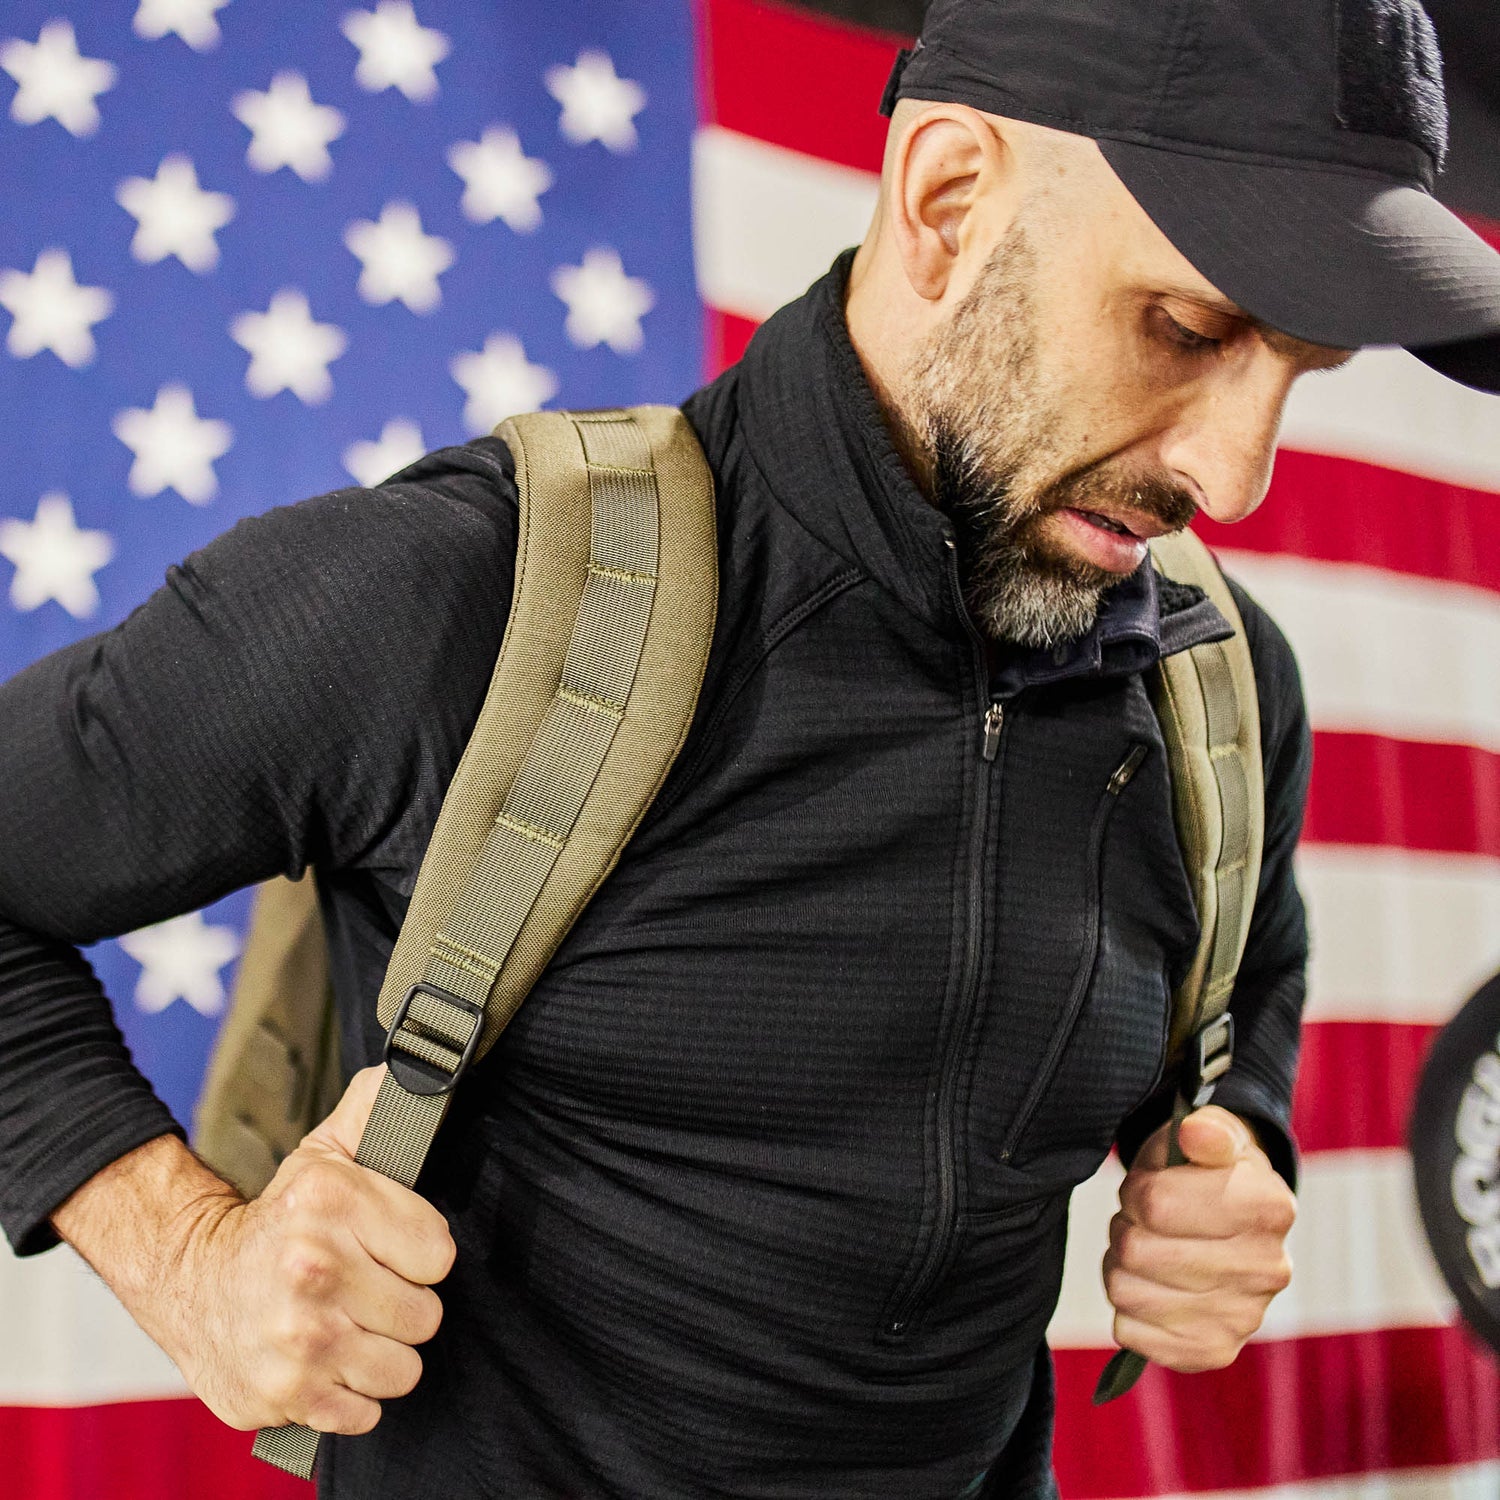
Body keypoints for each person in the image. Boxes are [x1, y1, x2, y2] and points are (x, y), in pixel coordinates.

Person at [3, 0, 1499, 1494]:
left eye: (1301, 369)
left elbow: (1254, 973)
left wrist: (1235, 1144)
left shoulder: (1221, 688)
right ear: (949, 200)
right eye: (1185, 329)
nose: (1235, 476)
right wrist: (187, 1260)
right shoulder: (458, 595)